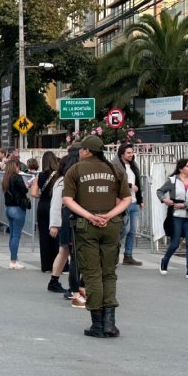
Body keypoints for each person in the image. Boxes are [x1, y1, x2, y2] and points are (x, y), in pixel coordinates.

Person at [62, 135, 131, 338]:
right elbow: (127, 198)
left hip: (86, 228)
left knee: (92, 274)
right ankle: (110, 323)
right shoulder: (115, 170)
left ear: (87, 151)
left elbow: (68, 199)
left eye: (82, 149)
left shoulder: (75, 170)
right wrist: (108, 215)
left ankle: (97, 324)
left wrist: (90, 216)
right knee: (109, 273)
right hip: (111, 225)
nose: (81, 152)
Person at [157, 158, 188, 280]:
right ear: (181, 168)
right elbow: (160, 191)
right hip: (176, 215)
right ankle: (164, 260)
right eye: (187, 166)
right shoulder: (172, 181)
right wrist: (164, 200)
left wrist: (185, 205)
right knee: (175, 242)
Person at [48, 152, 84, 302]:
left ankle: (55, 280)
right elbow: (56, 204)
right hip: (66, 221)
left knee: (65, 252)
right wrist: (54, 224)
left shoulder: (67, 180)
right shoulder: (63, 181)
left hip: (68, 219)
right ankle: (63, 283)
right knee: (67, 252)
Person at [112, 143, 144, 266]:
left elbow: (139, 183)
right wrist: (130, 186)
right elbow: (115, 182)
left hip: (134, 202)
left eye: (132, 152)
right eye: (128, 153)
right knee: (125, 228)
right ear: (122, 154)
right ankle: (112, 247)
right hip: (122, 202)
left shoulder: (133, 165)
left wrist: (140, 200)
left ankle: (128, 256)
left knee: (133, 231)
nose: (131, 155)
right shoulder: (115, 166)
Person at [31, 152, 60, 273]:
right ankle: (58, 264)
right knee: (56, 236)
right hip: (54, 205)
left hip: (42, 206)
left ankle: (46, 265)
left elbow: (33, 193)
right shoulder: (58, 176)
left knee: (44, 236)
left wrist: (41, 196)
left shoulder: (39, 175)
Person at [2, 160, 29, 270]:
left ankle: (14, 258)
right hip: (18, 208)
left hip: (9, 208)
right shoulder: (17, 177)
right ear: (15, 167)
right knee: (16, 235)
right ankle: (13, 261)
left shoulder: (5, 178)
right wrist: (27, 185)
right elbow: (24, 191)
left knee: (13, 234)